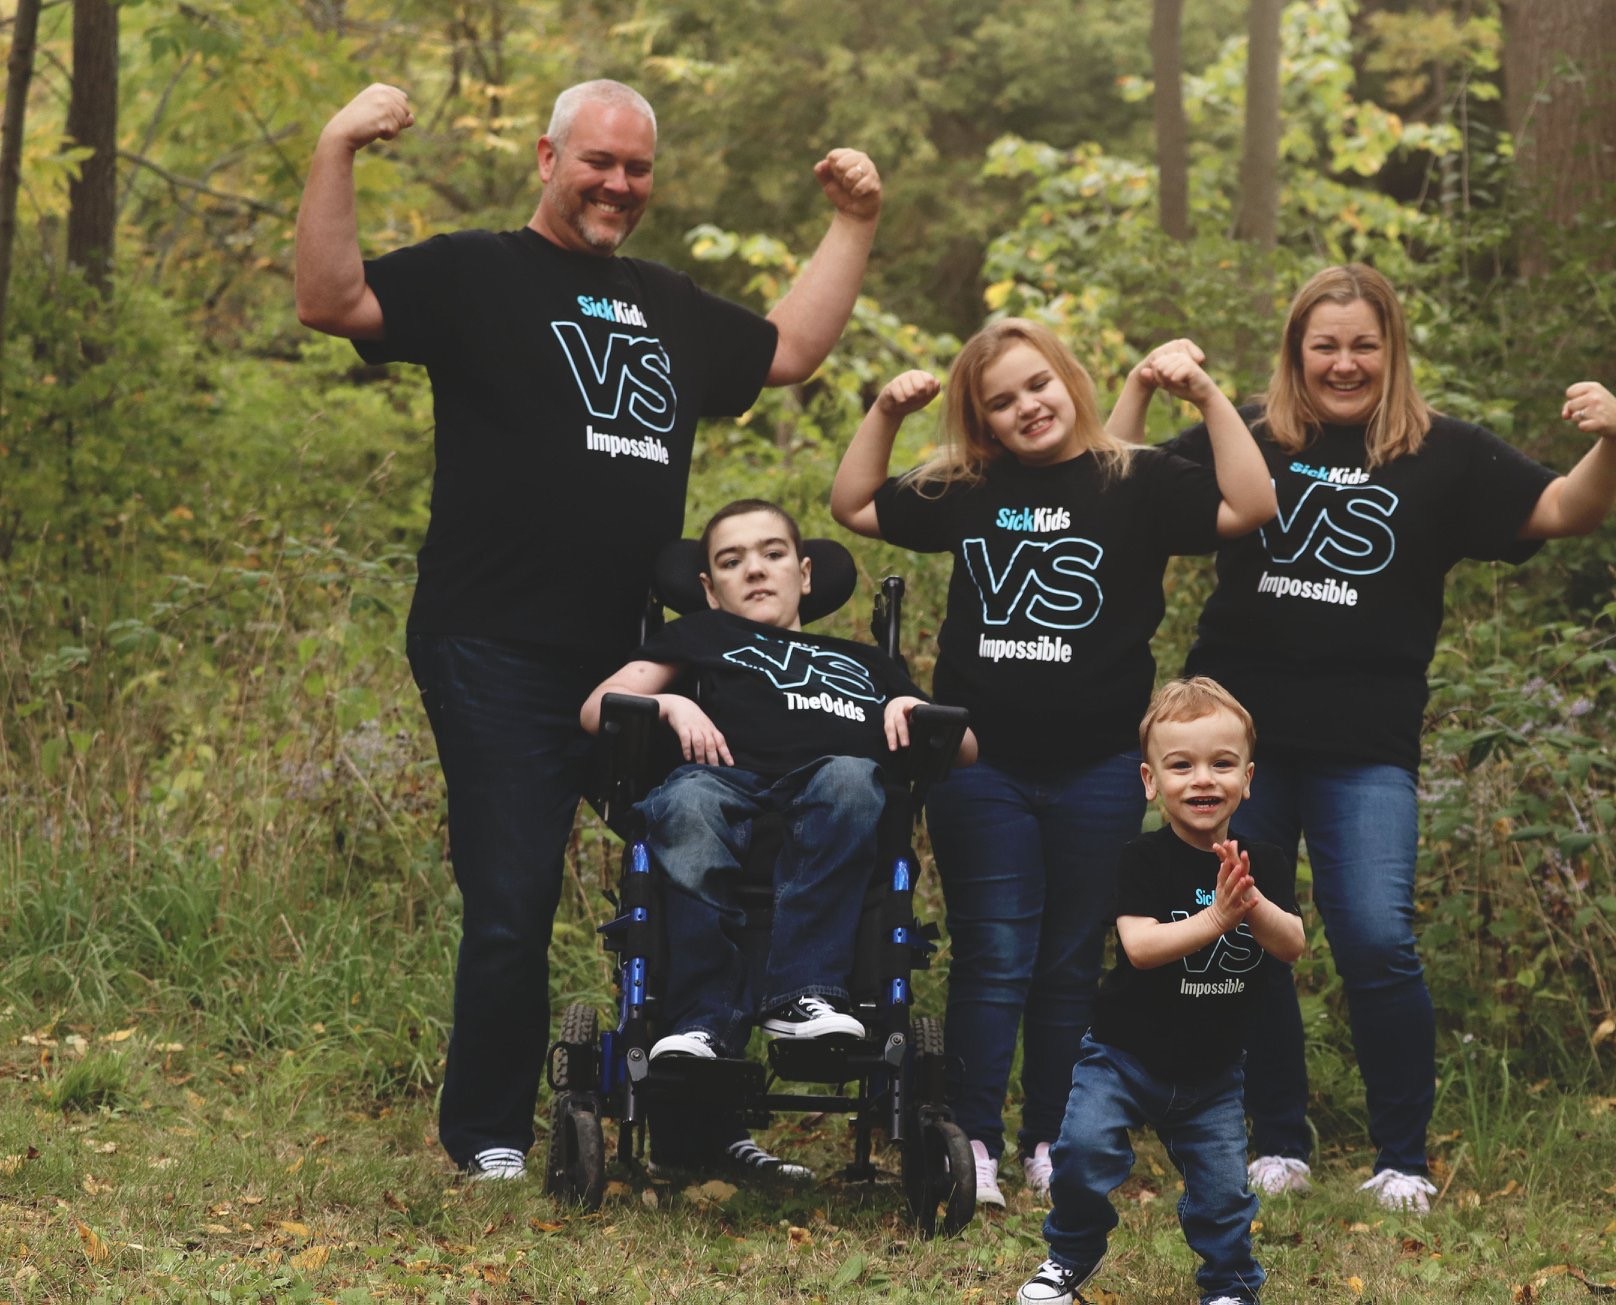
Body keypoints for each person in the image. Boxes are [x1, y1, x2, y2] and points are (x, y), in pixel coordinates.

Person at [293, 78, 883, 1181]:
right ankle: (486, 1137)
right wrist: (336, 146)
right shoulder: (476, 273)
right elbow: (330, 302)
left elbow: (790, 350)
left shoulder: (664, 303)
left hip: (640, 658)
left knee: (710, 856)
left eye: (637, 168)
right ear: (546, 157)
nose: (617, 184)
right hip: (491, 647)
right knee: (513, 899)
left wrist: (853, 223)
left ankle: (703, 1120)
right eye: (597, 162)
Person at [1137, 263, 1616, 1212]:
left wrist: (1613, 438)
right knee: (1248, 928)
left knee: (1374, 937)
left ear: (1391, 349)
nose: (1343, 361)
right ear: (1296, 350)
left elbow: (1569, 509)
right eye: (1323, 344)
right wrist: (1138, 388)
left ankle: (1402, 1155)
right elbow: (1116, 487)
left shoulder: (1443, 454)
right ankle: (1277, 1138)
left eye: (1363, 343)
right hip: (1239, 747)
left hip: (1367, 744)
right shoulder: (1243, 431)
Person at [830, 321, 1278, 1207]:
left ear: (1068, 379)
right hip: (980, 766)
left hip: (1100, 768)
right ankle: (975, 1143)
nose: (1024, 406)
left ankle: (1050, 1137)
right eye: (998, 401)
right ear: (982, 421)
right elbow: (853, 505)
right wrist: (884, 409)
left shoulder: (1137, 478)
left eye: (1035, 385)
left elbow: (1251, 505)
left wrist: (1206, 396)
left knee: (1073, 960)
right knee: (993, 956)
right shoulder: (970, 484)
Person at [578, 499, 978, 1065]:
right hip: (721, 785)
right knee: (687, 799)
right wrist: (668, 703)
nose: (755, 569)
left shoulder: (863, 661)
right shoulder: (702, 633)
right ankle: (702, 1020)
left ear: (805, 572)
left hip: (834, 795)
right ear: (710, 588)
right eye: (731, 561)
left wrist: (911, 704)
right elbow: (599, 708)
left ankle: (802, 995)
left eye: (772, 553)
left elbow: (963, 750)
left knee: (850, 778)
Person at [1017, 677, 1305, 1305]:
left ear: (1248, 778)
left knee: (1224, 1192)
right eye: (1182, 765)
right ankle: (1072, 1253)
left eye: (1221, 764)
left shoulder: (1265, 862)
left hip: (1213, 1070)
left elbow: (1292, 944)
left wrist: (1250, 903)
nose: (1203, 779)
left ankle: (1229, 1286)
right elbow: (1141, 948)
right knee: (1081, 1153)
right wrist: (1216, 920)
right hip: (1123, 1057)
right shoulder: (1141, 860)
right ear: (1151, 782)